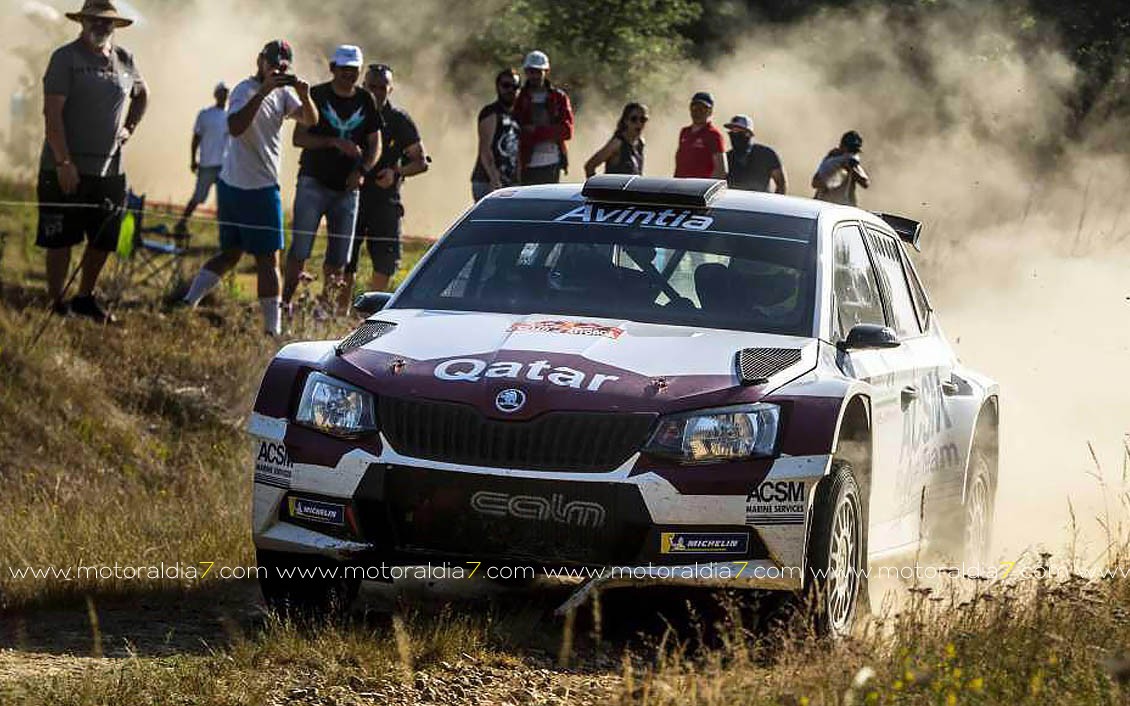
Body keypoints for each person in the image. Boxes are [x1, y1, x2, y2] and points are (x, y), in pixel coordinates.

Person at [180, 40, 317, 336]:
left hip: (259, 184)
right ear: (260, 61)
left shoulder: (284, 93)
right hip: (241, 187)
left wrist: (305, 96)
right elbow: (236, 127)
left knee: (265, 259)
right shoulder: (243, 90)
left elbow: (311, 120)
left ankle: (271, 330)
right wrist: (264, 91)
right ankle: (189, 302)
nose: (276, 69)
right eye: (272, 63)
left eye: (282, 66)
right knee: (236, 254)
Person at [37, 0, 148, 323]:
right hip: (65, 166)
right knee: (60, 238)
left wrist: (129, 128)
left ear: (115, 26)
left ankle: (85, 297)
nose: (100, 26)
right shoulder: (65, 58)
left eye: (106, 22)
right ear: (82, 22)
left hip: (111, 169)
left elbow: (142, 95)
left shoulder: (125, 60)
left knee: (105, 236)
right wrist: (63, 162)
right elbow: (52, 114)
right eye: (94, 20)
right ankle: (57, 303)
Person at [281, 45, 382, 317]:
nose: (349, 75)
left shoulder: (366, 100)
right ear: (333, 68)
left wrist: (361, 171)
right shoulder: (317, 94)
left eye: (354, 70)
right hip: (313, 182)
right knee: (300, 248)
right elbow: (298, 138)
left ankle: (325, 311)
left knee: (339, 257)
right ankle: (285, 305)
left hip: (347, 190)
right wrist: (332, 142)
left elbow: (375, 144)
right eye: (344, 69)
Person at [343, 63, 428, 302]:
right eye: (372, 87)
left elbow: (421, 162)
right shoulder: (352, 114)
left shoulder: (399, 120)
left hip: (386, 199)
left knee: (386, 260)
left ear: (391, 89)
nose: (377, 92)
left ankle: (370, 308)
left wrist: (397, 171)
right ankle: (339, 313)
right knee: (345, 258)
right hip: (352, 194)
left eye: (382, 87)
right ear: (363, 86)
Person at [174, 82, 230, 236]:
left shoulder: (231, 115)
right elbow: (196, 138)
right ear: (215, 94)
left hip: (225, 166)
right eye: (221, 92)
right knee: (198, 197)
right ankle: (181, 223)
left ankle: (225, 234)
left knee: (225, 202)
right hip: (207, 164)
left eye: (226, 92)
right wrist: (193, 160)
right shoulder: (205, 115)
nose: (223, 95)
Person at [513, 50, 573, 185]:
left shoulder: (559, 98)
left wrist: (535, 131)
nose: (534, 76)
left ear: (546, 71)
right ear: (526, 72)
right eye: (531, 71)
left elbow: (566, 131)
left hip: (552, 163)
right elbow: (516, 131)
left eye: (538, 71)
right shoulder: (518, 98)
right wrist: (549, 132)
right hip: (525, 163)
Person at [471, 68, 520, 201]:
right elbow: (485, 149)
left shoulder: (519, 114)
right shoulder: (491, 113)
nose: (510, 90)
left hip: (509, 182)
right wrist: (494, 178)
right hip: (487, 181)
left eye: (515, 86)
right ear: (498, 87)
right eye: (506, 85)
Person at [724, 114, 786, 194]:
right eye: (732, 132)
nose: (735, 136)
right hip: (734, 204)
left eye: (740, 132)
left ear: (749, 134)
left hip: (761, 203)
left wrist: (775, 204)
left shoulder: (767, 155)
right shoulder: (726, 158)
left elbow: (781, 184)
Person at [583, 102, 647, 177]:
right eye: (634, 119)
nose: (639, 123)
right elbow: (590, 166)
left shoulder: (640, 143)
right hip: (615, 188)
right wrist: (596, 187)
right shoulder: (617, 143)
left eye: (643, 119)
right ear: (626, 121)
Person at [674, 92, 725, 179]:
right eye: (694, 108)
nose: (698, 112)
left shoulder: (714, 135)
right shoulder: (684, 132)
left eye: (703, 109)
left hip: (699, 188)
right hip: (680, 187)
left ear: (710, 112)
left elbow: (721, 169)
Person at [812, 130, 870, 206]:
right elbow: (815, 182)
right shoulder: (831, 161)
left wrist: (851, 169)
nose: (852, 153)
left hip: (842, 208)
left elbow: (865, 183)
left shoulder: (851, 162)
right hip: (826, 206)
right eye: (851, 149)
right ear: (843, 146)